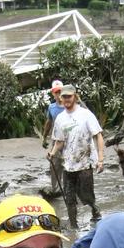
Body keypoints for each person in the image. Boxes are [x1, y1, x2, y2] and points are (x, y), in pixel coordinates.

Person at [48, 85, 104, 230]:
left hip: (85, 163)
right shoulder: (60, 118)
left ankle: (94, 209)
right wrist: (52, 153)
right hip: (68, 164)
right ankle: (74, 226)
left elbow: (98, 136)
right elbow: (59, 141)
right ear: (61, 98)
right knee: (69, 197)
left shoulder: (85, 114)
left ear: (75, 96)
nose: (66, 99)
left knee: (86, 196)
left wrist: (100, 159)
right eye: (64, 96)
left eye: (69, 96)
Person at [41, 79, 65, 198]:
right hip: (56, 140)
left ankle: (71, 189)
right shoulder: (52, 107)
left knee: (70, 166)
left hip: (70, 141)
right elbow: (49, 122)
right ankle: (56, 190)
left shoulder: (70, 105)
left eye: (60, 91)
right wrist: (44, 137)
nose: (58, 94)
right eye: (56, 92)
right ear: (53, 93)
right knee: (54, 165)